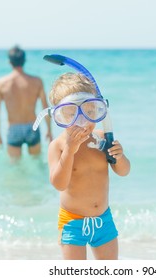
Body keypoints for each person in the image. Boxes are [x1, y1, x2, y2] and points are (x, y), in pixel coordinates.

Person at [47, 73, 130, 260]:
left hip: (104, 221)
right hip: (72, 223)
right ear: (60, 116)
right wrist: (69, 151)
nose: (82, 121)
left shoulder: (102, 139)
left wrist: (120, 156)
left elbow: (123, 171)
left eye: (90, 112)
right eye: (72, 115)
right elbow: (59, 184)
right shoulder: (58, 146)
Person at [0, 46, 52, 159]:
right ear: (24, 61)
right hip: (33, 126)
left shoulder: (2, 83)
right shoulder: (37, 81)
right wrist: (49, 131)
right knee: (37, 163)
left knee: (14, 166)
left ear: (9, 62)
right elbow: (45, 108)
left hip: (13, 128)